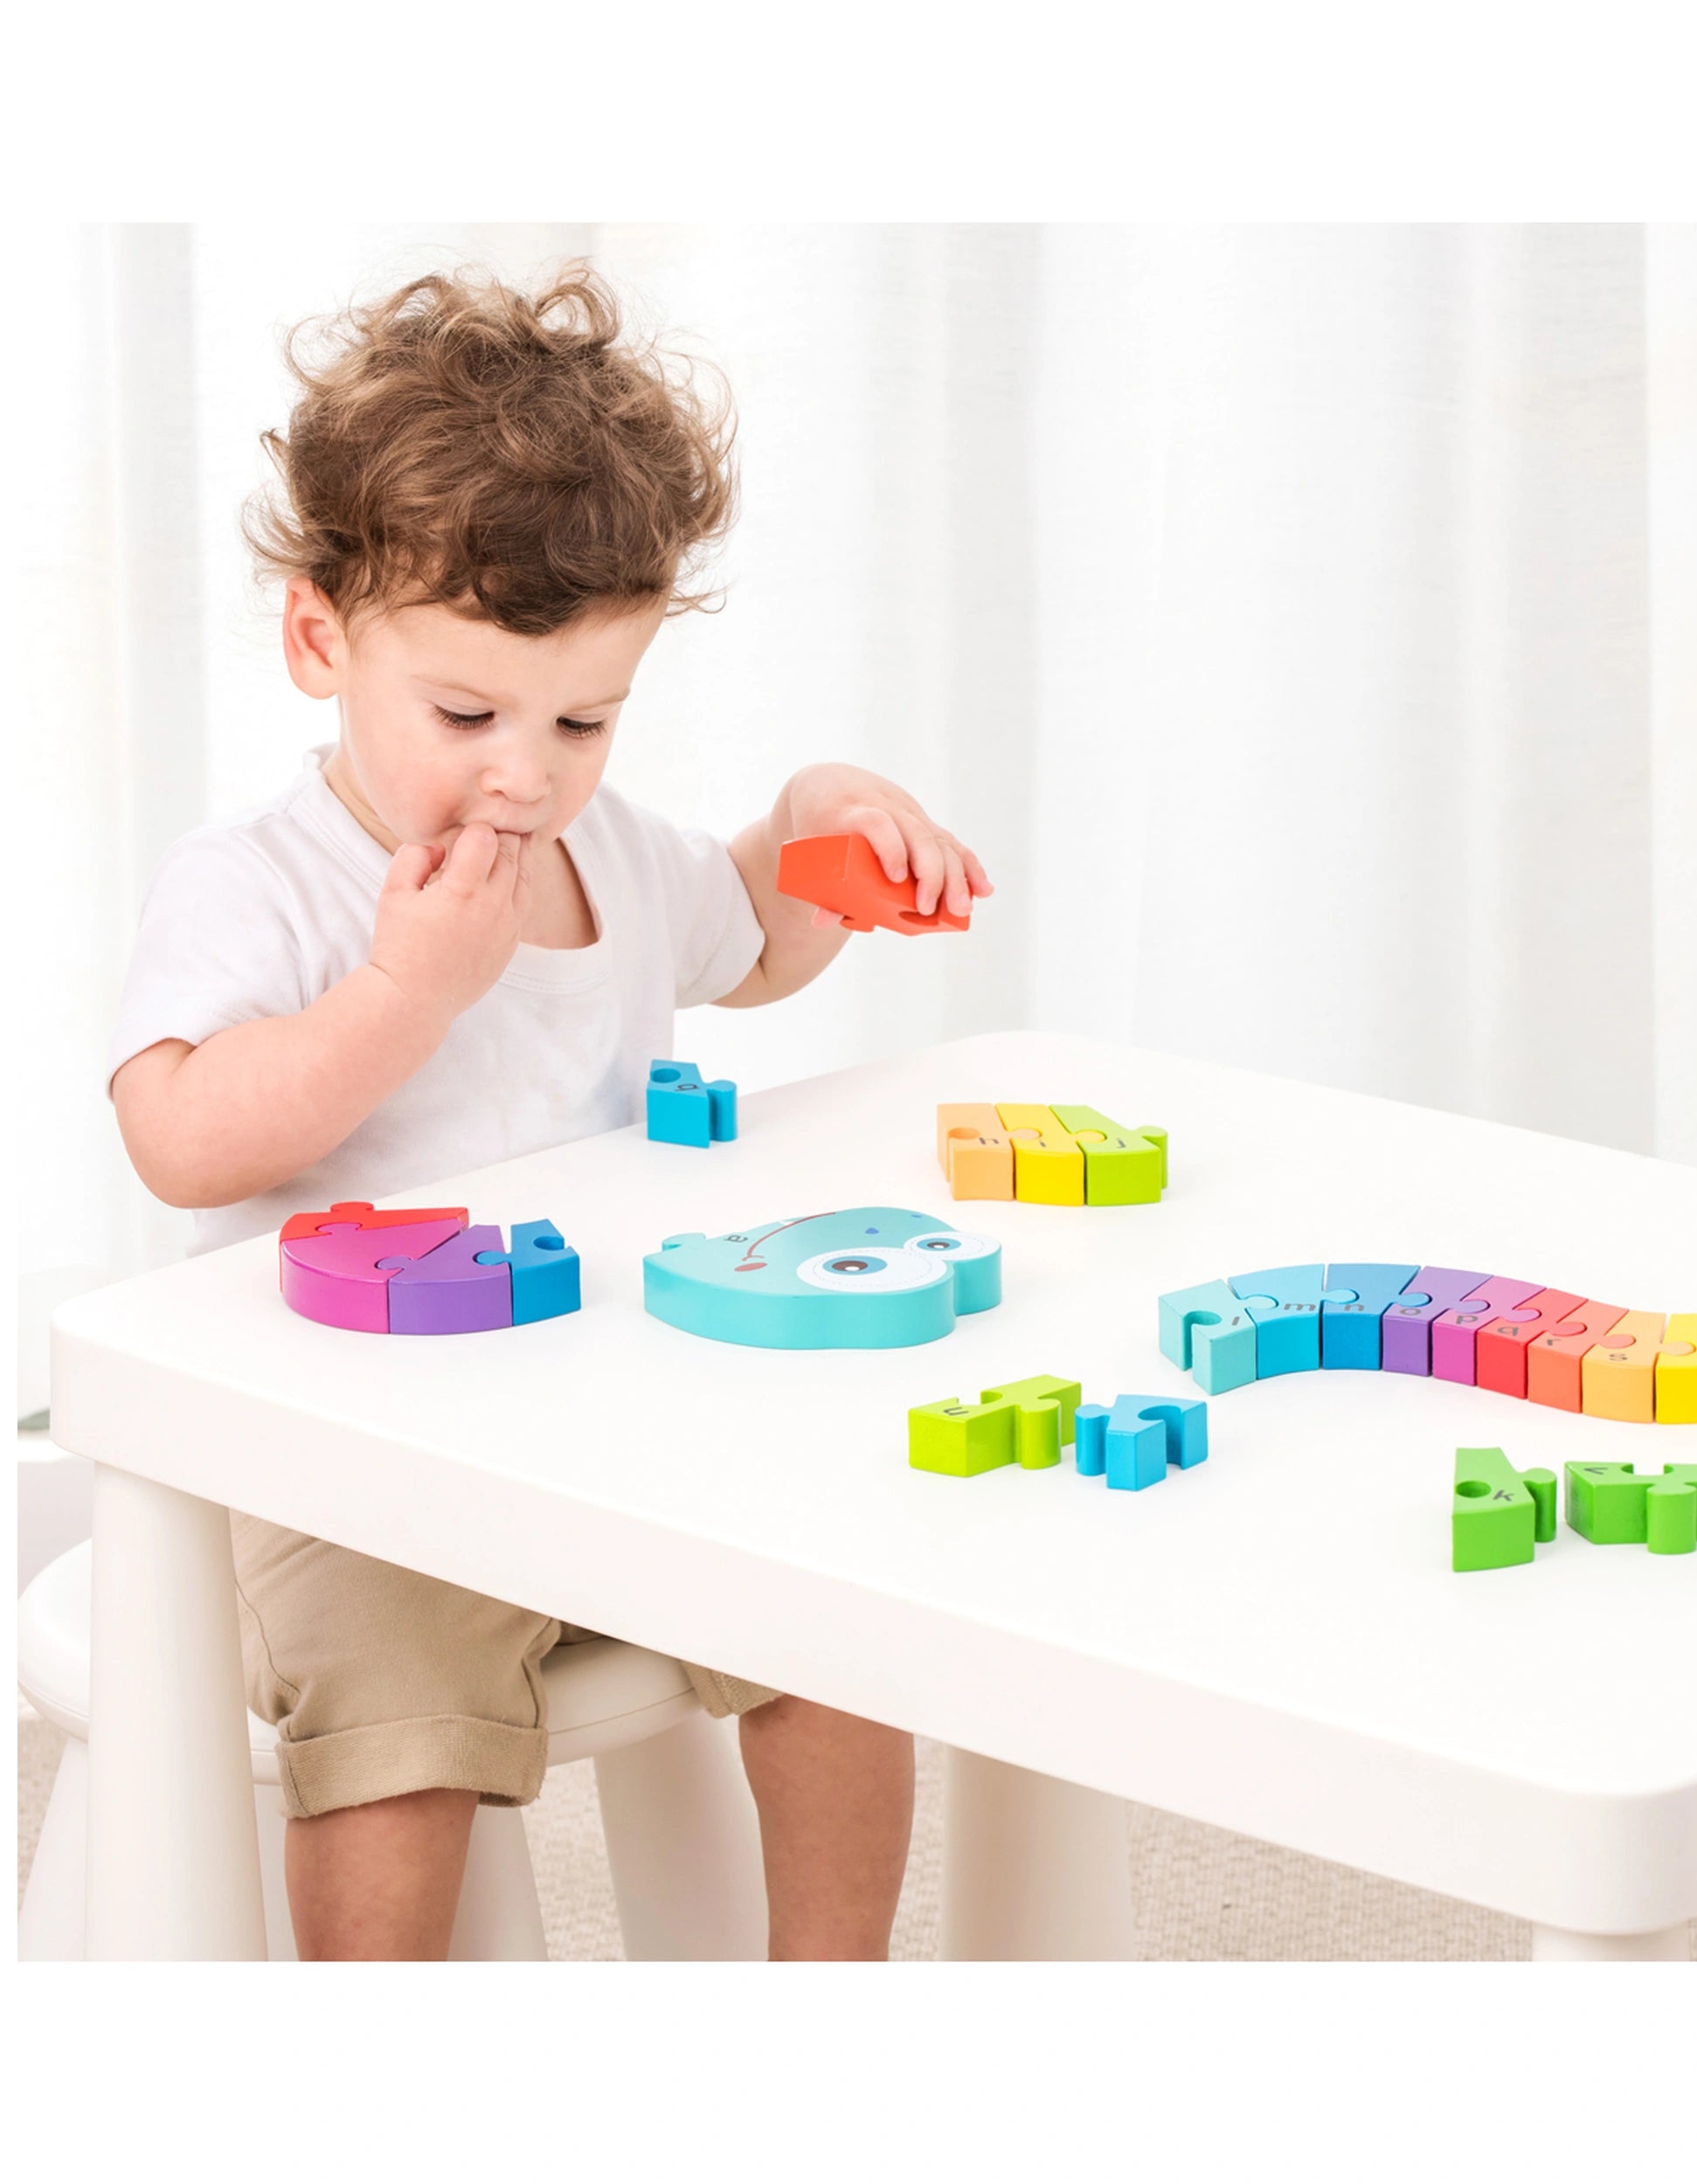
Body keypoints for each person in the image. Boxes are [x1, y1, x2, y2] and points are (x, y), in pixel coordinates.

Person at [107, 265, 990, 1960]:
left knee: (840, 1610)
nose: (529, 772)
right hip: (348, 1461)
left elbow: (750, 940)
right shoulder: (260, 884)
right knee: (394, 1720)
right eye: (466, 714)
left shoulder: (610, 856)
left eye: (585, 717)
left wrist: (818, 831)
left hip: (615, 1414)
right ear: (319, 639)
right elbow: (181, 1138)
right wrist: (404, 991)